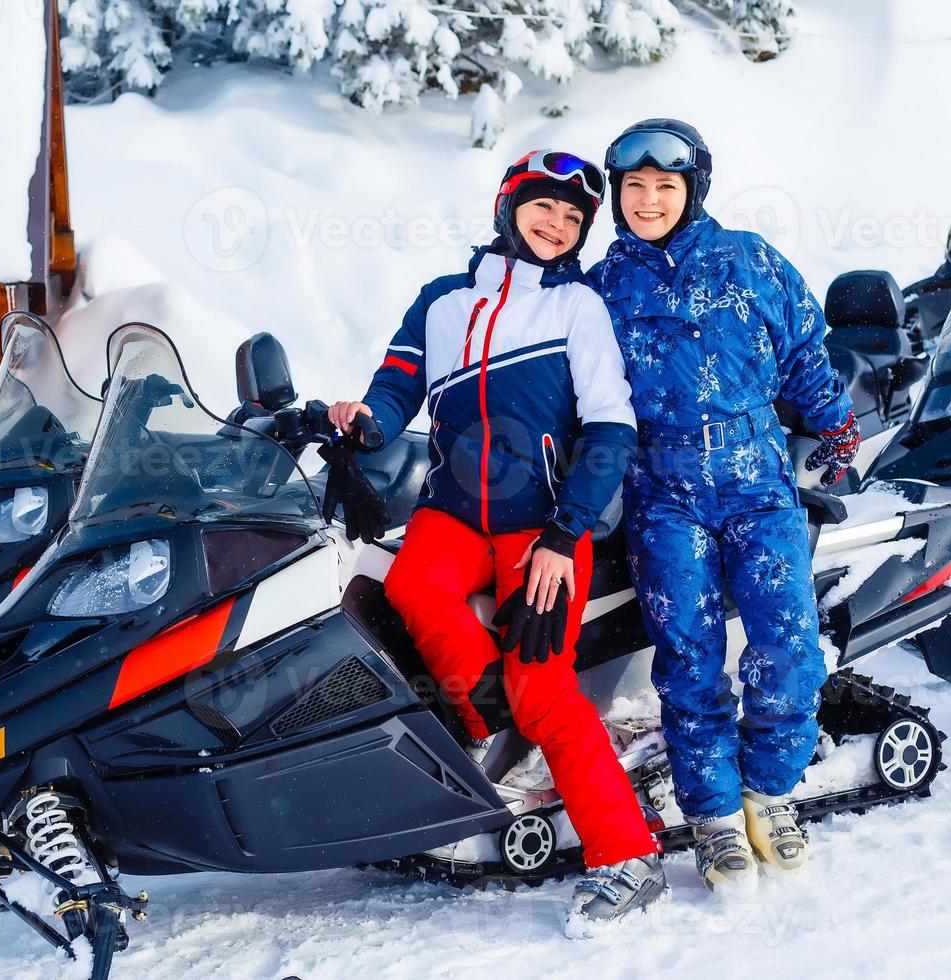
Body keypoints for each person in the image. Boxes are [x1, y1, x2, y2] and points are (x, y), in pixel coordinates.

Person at [325, 151, 665, 936]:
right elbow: (399, 381)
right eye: (544, 207)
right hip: (451, 511)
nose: (558, 224)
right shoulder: (443, 300)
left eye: (575, 218)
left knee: (545, 690)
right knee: (407, 587)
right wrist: (366, 419)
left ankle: (628, 858)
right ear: (508, 207)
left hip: (540, 525)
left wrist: (563, 534)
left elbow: (613, 428)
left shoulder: (576, 307)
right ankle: (493, 733)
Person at [588, 119, 859, 895]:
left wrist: (837, 430)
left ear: (691, 189)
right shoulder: (603, 285)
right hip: (662, 493)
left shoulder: (749, 261)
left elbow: (806, 352)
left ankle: (768, 794)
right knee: (688, 661)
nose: (647, 201)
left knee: (789, 647)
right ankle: (711, 818)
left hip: (756, 481)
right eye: (633, 188)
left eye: (664, 187)